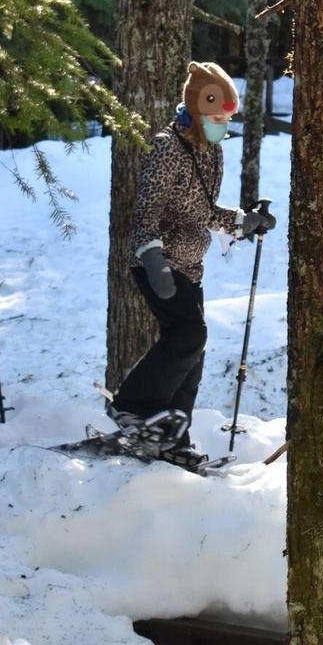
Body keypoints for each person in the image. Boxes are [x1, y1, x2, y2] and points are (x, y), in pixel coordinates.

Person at [114, 61, 276, 468]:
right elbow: (146, 211)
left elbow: (202, 211)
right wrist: (153, 259)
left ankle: (172, 437)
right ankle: (133, 407)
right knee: (188, 335)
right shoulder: (167, 148)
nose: (223, 125)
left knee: (193, 353)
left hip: (189, 264)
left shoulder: (210, 151)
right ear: (197, 110)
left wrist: (243, 221)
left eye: (227, 119)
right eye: (217, 118)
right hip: (158, 262)